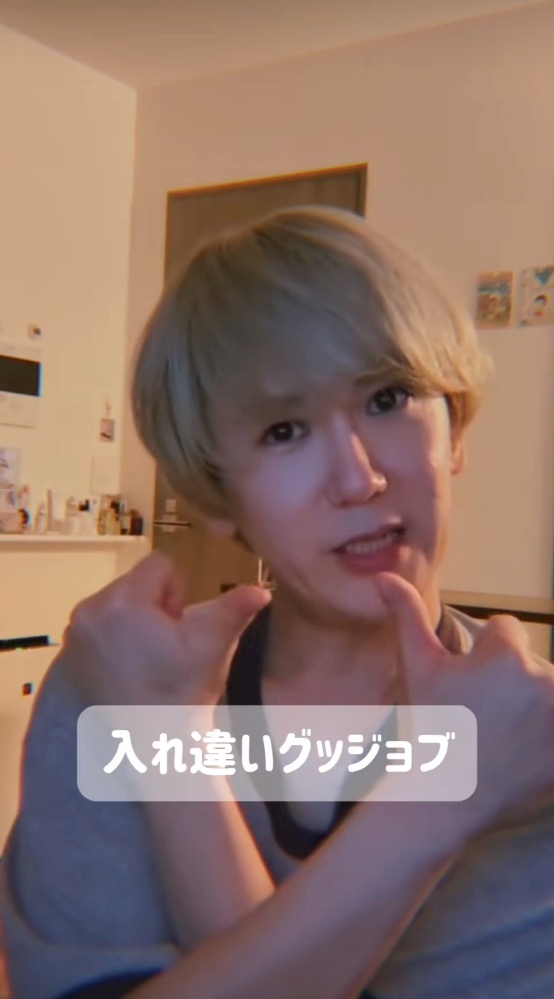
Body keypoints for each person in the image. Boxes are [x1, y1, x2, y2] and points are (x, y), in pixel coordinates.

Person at [2, 206, 554, 999]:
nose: (359, 478)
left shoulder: (535, 743)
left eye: (390, 396)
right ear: (217, 497)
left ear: (456, 429)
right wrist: (444, 795)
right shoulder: (111, 696)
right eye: (284, 430)